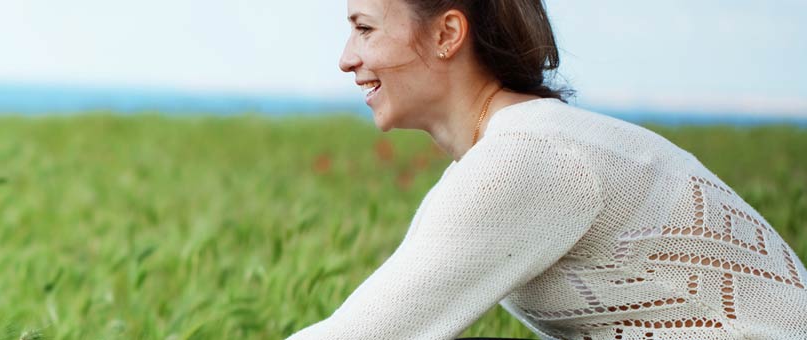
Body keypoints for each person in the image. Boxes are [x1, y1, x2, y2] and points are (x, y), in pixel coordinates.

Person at [289, 0, 807, 339]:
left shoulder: (527, 158)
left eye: (364, 29)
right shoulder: (516, 150)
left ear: (447, 33)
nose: (346, 58)